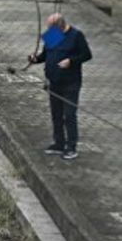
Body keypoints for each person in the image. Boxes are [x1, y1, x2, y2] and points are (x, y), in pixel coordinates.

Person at [28, 12, 92, 160]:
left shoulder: (76, 36)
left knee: (69, 115)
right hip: (54, 81)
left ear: (60, 26)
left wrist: (71, 61)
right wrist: (35, 59)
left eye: (51, 27)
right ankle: (59, 143)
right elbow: (45, 55)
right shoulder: (53, 35)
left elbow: (87, 55)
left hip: (71, 82)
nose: (49, 31)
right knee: (56, 114)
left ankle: (71, 146)